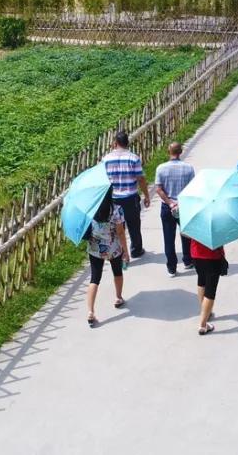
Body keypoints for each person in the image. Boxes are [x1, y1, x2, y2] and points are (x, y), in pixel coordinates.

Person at [84, 187, 128, 327]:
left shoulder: (91, 209)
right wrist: (125, 251)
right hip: (113, 247)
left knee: (94, 278)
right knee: (117, 272)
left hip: (95, 248)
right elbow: (120, 232)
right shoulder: (116, 209)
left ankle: (90, 311)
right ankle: (118, 297)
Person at [103, 130, 149, 258]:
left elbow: (103, 180)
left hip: (114, 199)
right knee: (134, 225)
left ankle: (119, 251)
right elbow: (140, 178)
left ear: (115, 143)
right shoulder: (133, 158)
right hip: (130, 197)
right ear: (127, 143)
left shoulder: (106, 160)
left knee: (117, 227)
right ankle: (136, 249)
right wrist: (146, 195)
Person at [154, 141, 195, 277]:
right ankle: (188, 260)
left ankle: (171, 267)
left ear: (168, 151)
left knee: (168, 237)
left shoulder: (161, 168)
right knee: (186, 234)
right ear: (181, 152)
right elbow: (192, 188)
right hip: (184, 205)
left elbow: (159, 189)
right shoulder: (189, 168)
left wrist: (170, 202)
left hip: (167, 207)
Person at [190, 236, 225, 336]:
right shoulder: (218, 220)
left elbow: (185, 233)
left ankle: (205, 312)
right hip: (212, 255)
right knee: (210, 290)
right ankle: (203, 324)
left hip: (196, 253)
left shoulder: (195, 220)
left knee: (201, 281)